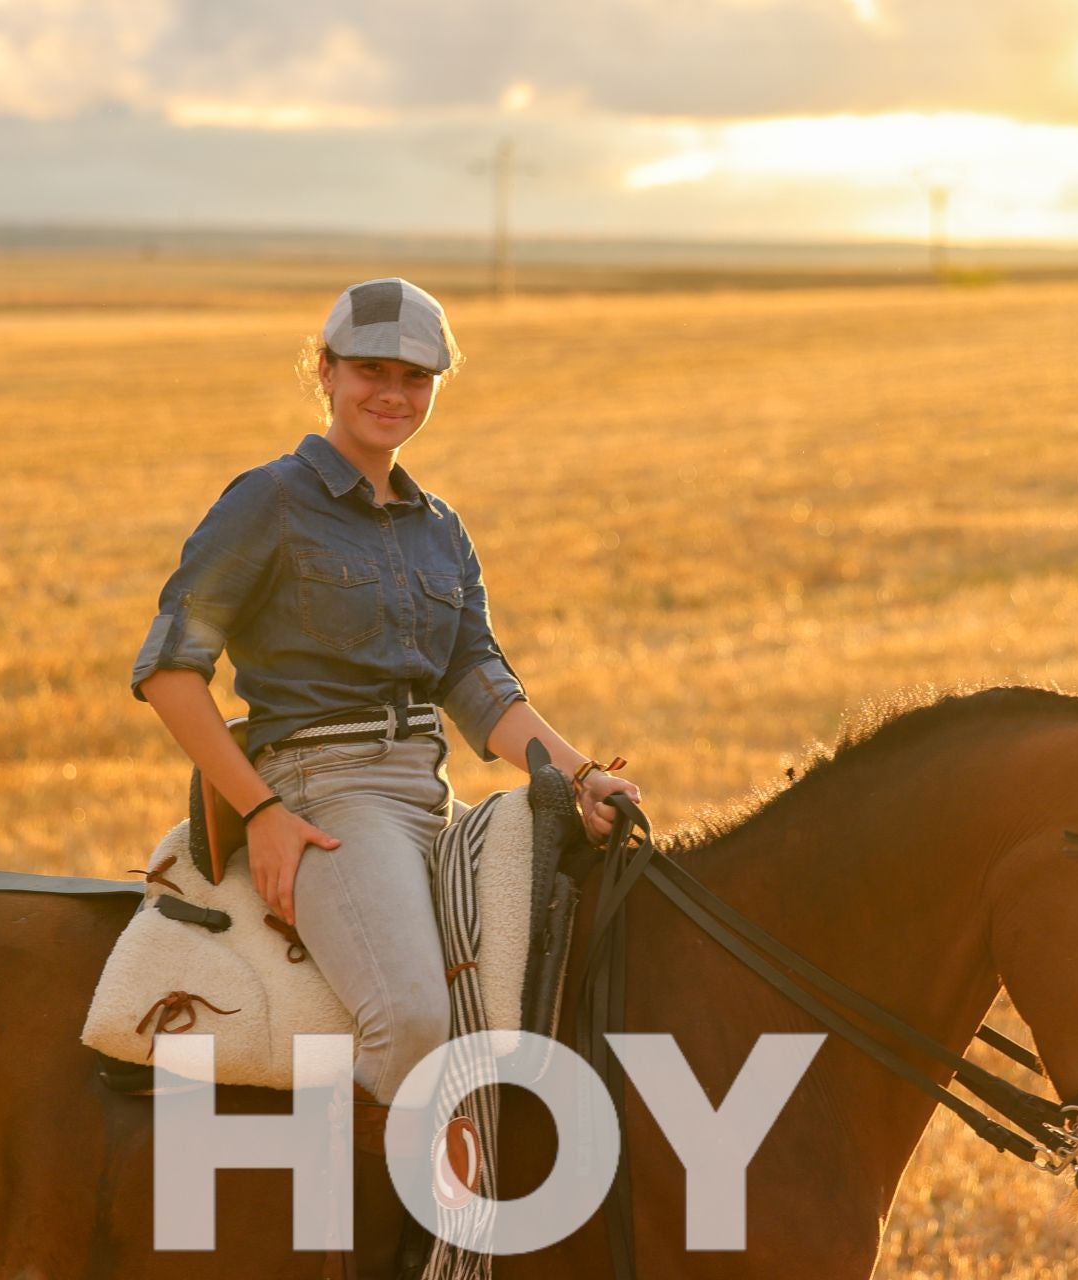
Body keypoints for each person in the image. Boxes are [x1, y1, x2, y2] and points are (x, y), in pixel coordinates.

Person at [130, 277, 642, 1276]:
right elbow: (170, 669)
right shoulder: (267, 501)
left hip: (431, 795)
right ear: (323, 372)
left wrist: (583, 776)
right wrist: (264, 810)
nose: (394, 392)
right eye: (372, 369)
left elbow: (480, 685)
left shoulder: (439, 527)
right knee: (412, 1018)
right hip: (324, 791)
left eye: (417, 375)